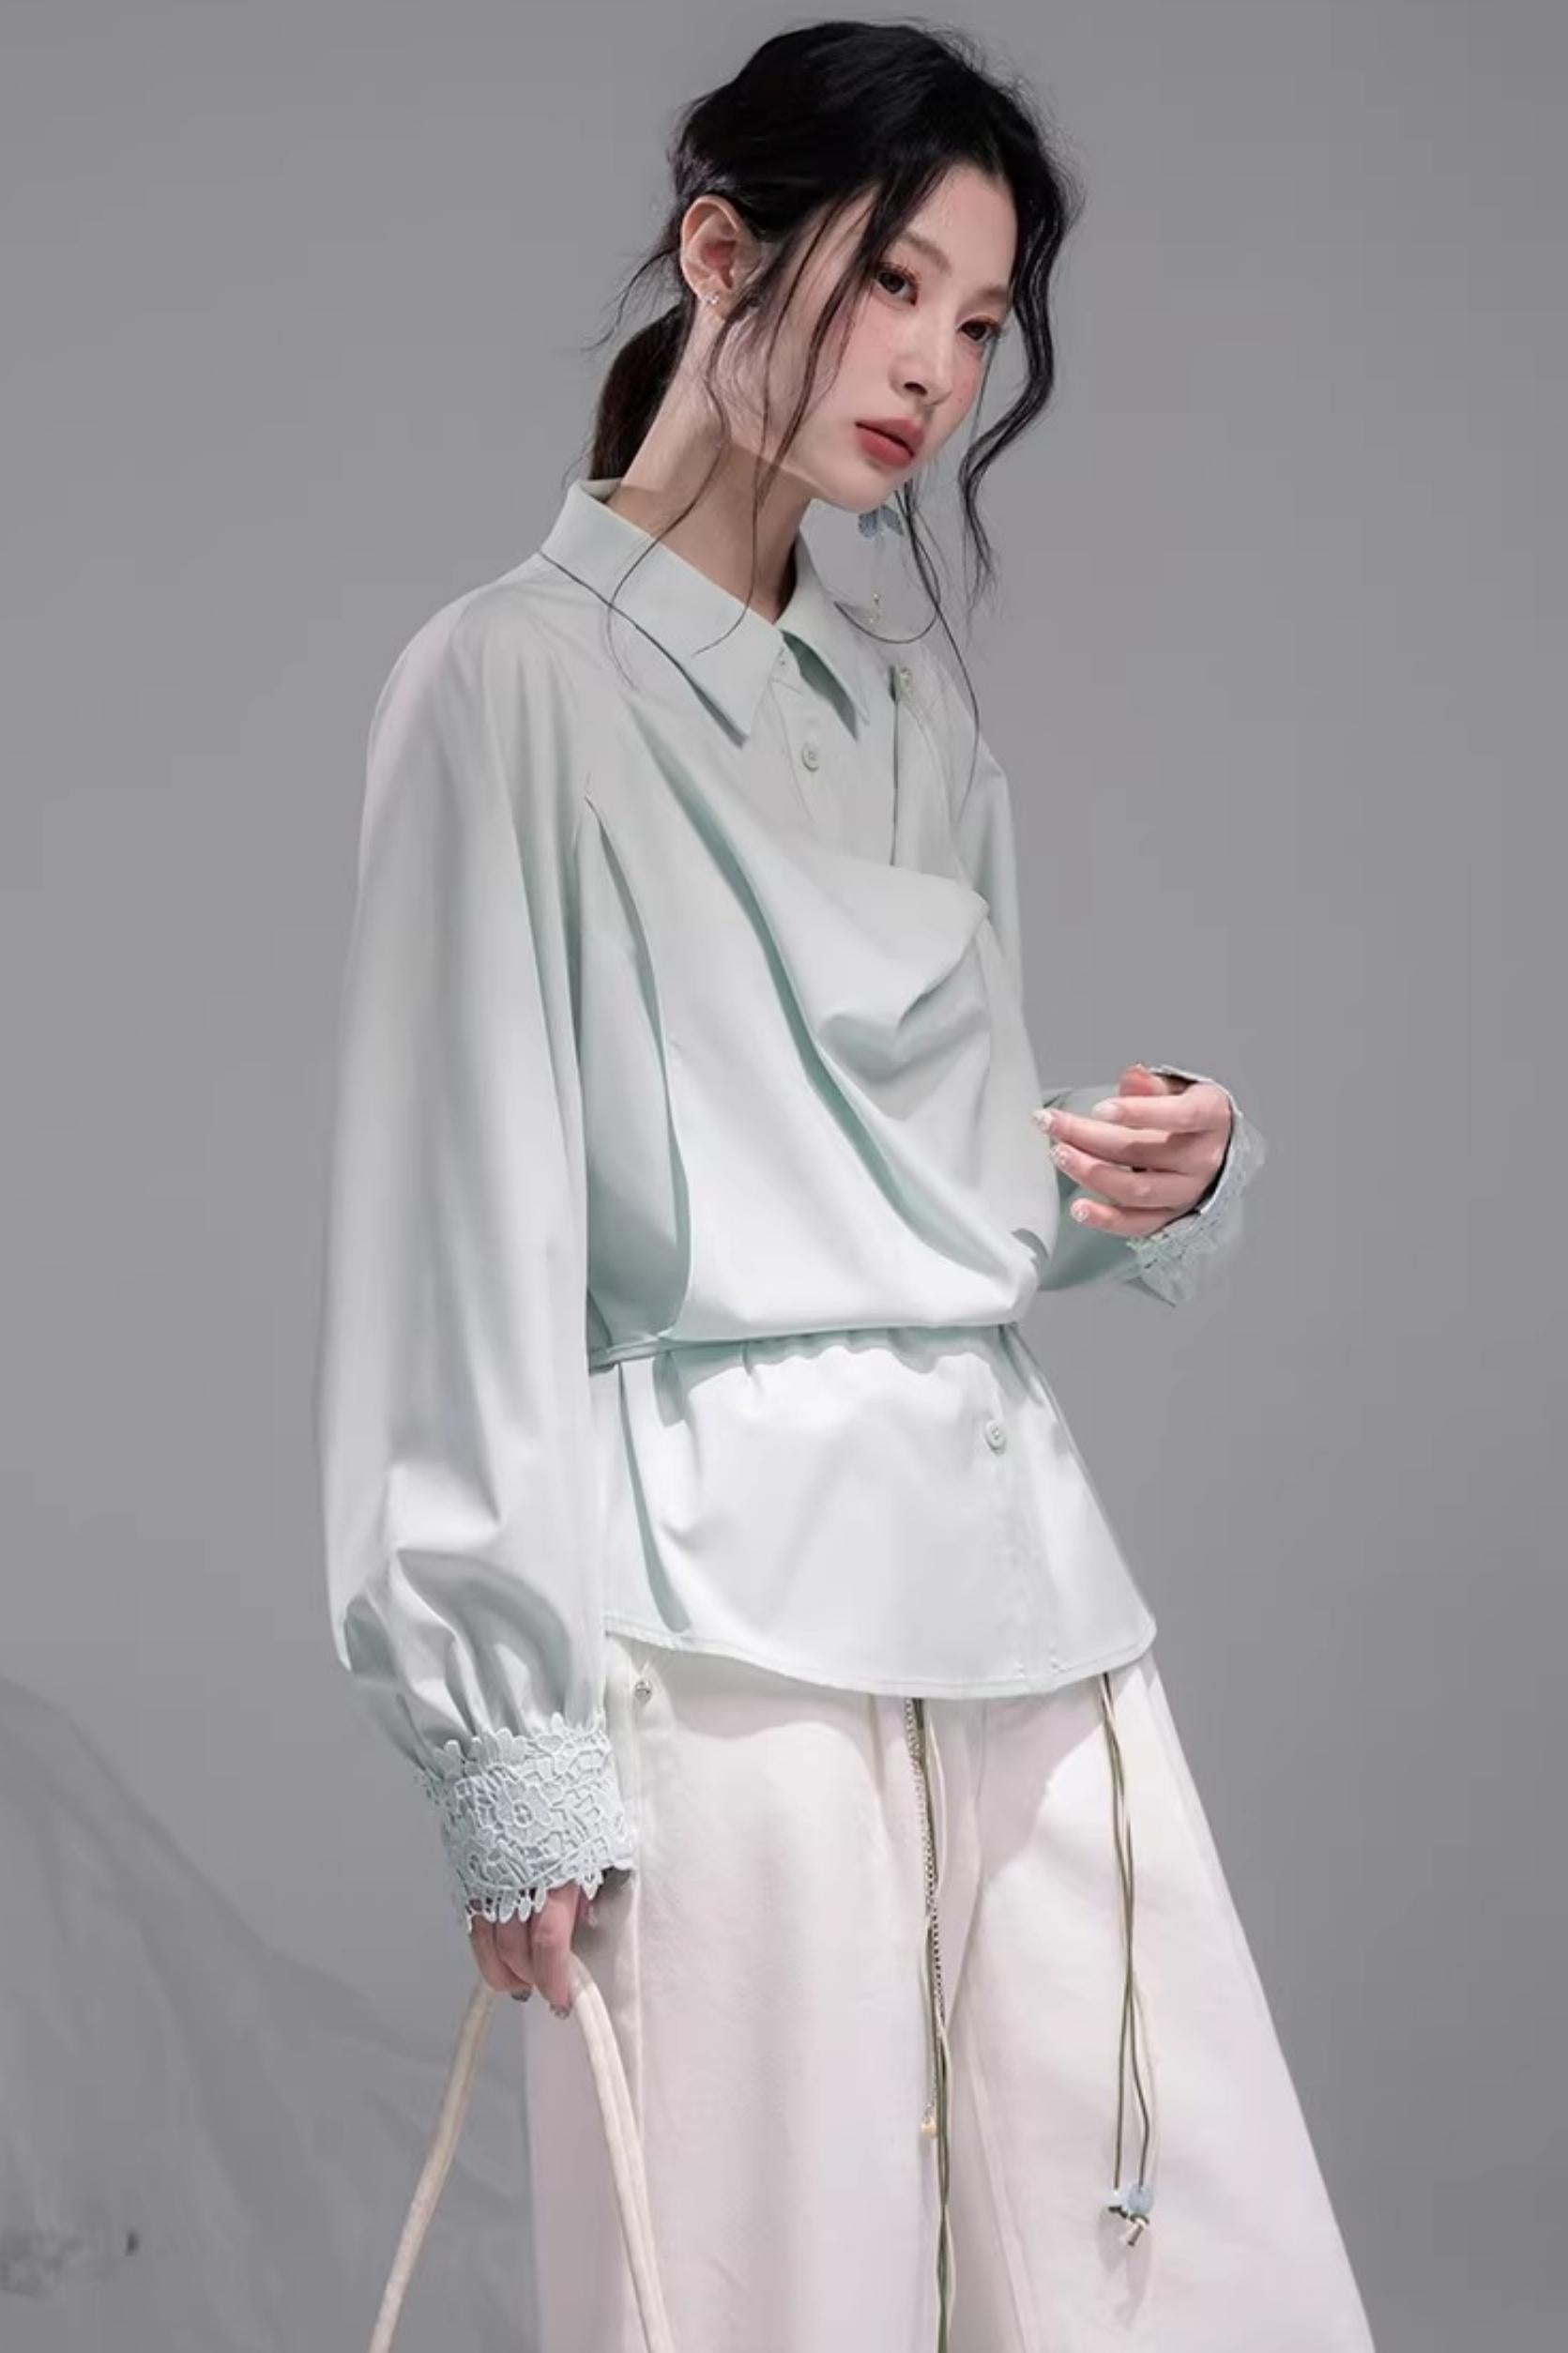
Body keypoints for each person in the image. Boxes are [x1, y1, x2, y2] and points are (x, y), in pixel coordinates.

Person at [313, 20, 1377, 2350]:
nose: (933, 368)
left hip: (1017, 1601)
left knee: (1165, 2282)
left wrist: (1151, 1170)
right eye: (893, 282)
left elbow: (932, 1194)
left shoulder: (905, 711)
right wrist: (502, 1742)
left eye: (978, 323)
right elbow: (456, 1240)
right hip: (717, 1649)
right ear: (720, 251)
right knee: (763, 2292)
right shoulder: (506, 687)